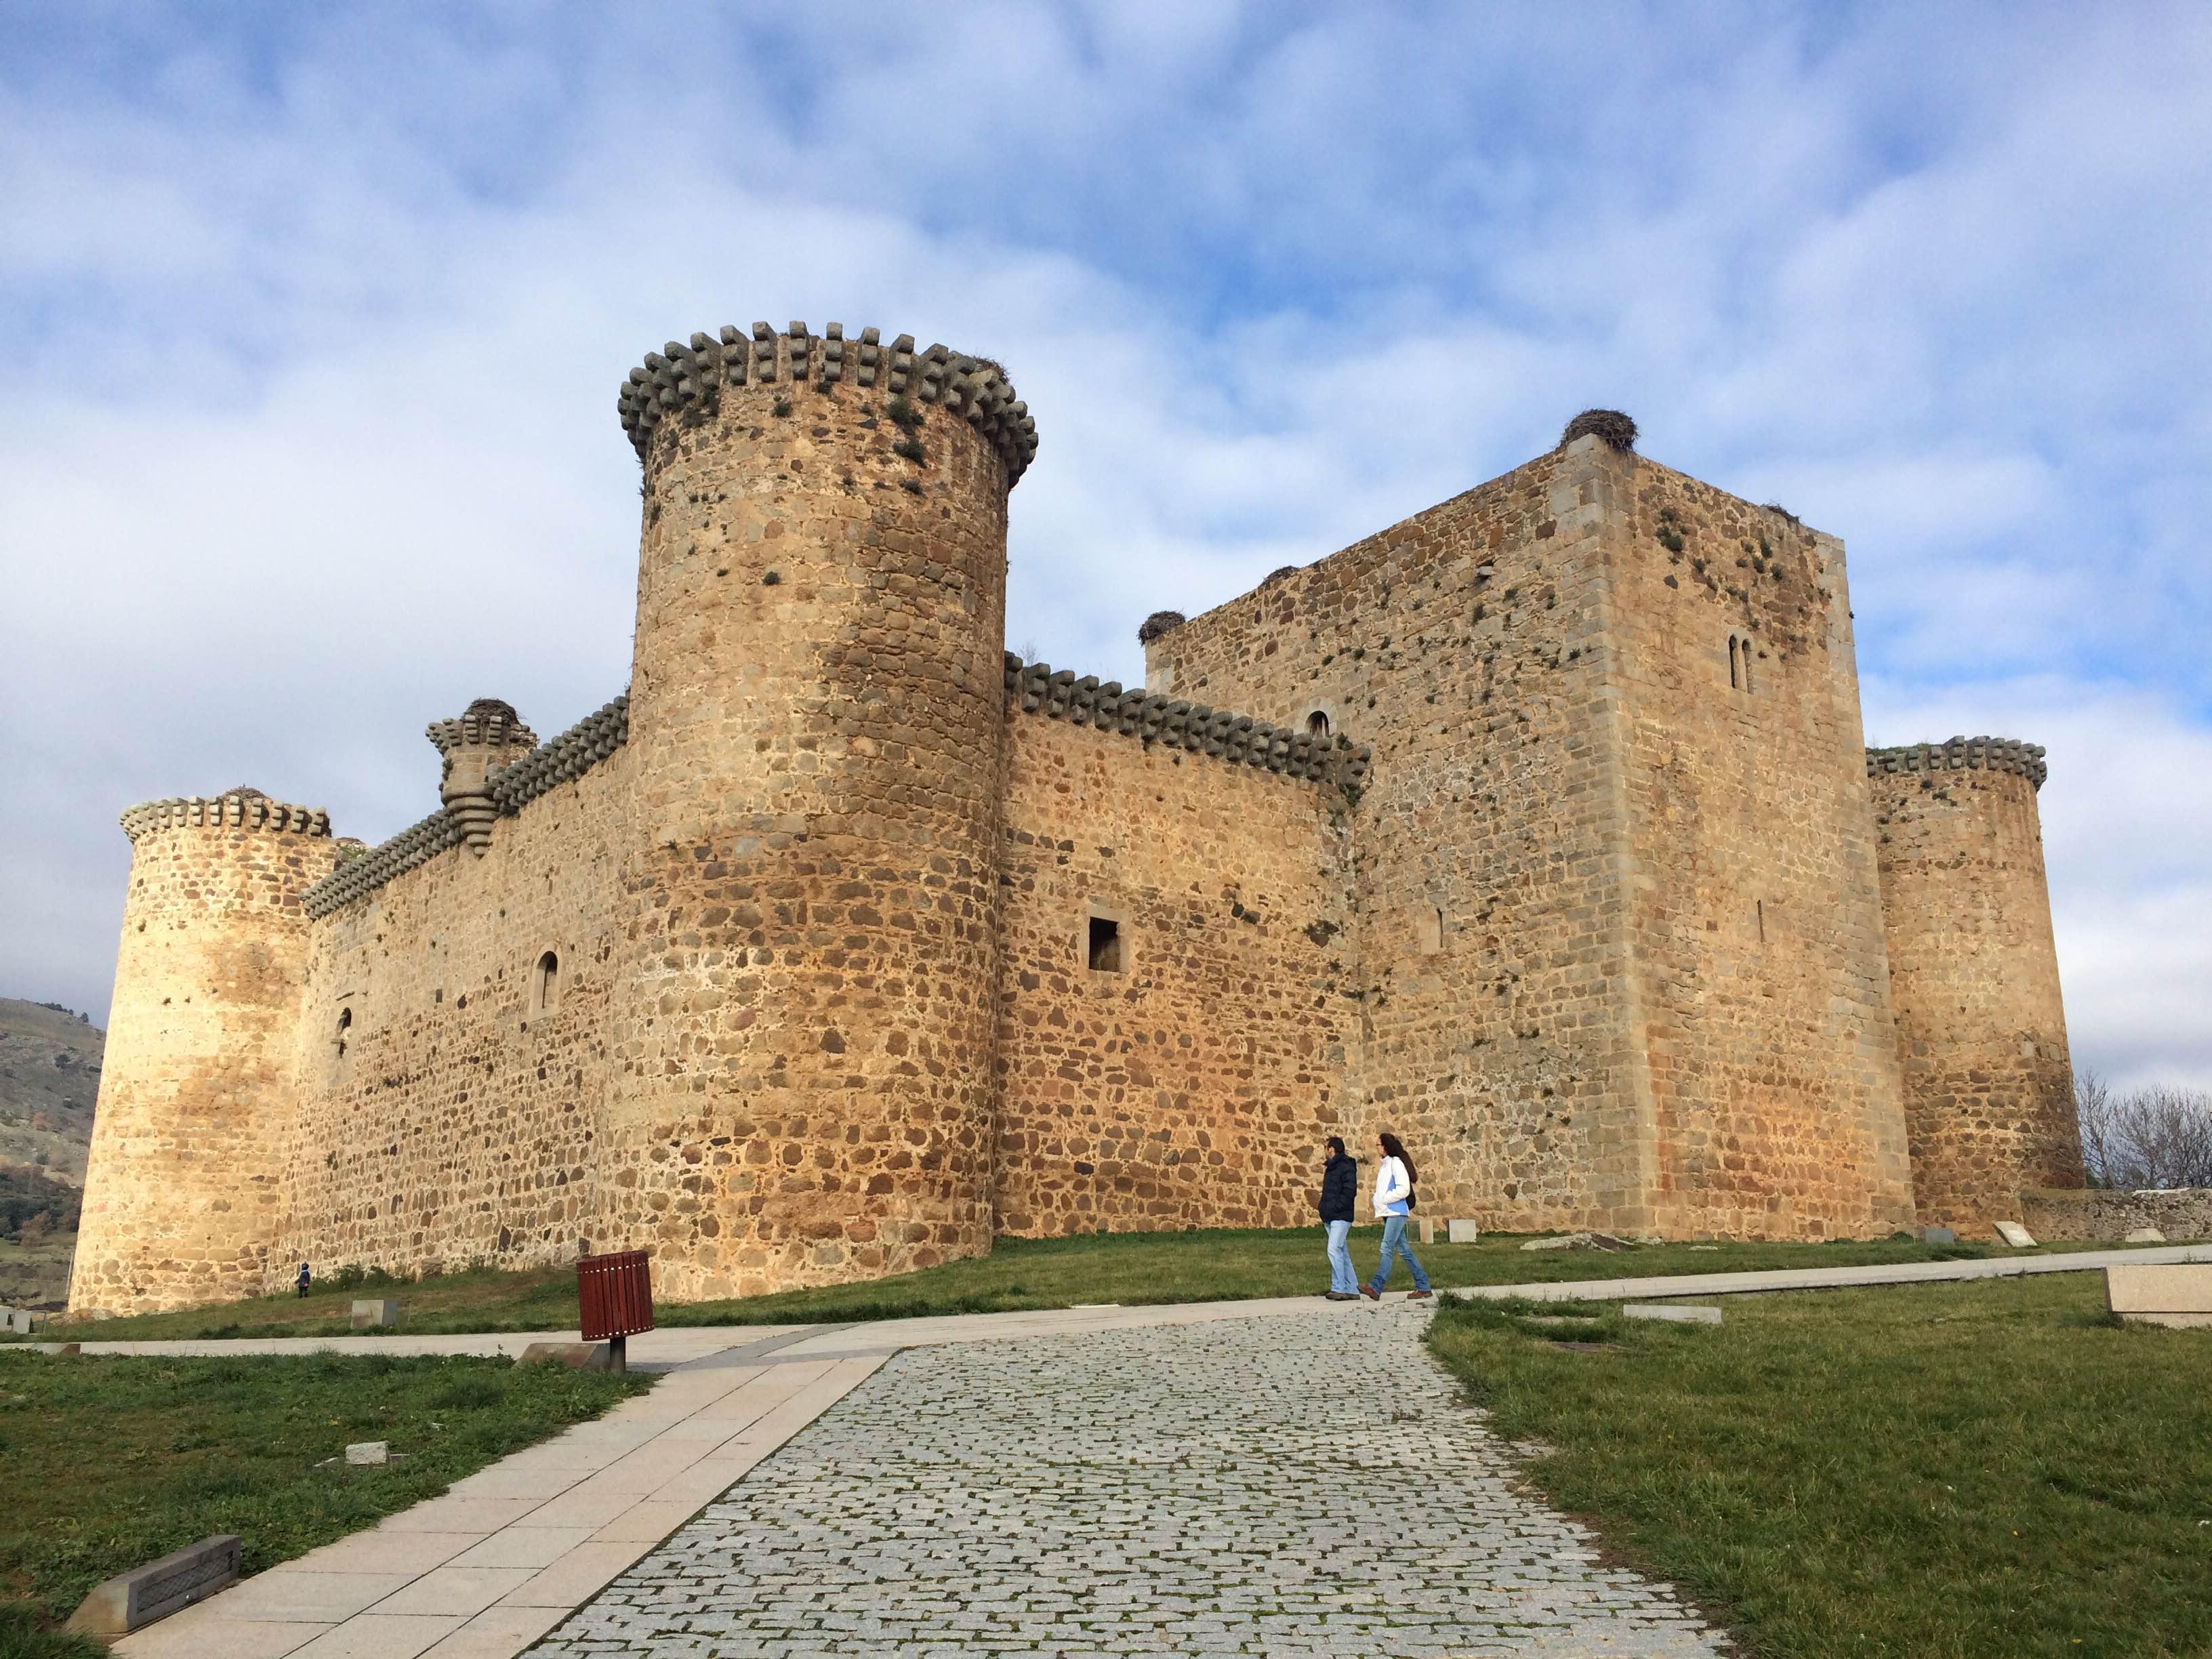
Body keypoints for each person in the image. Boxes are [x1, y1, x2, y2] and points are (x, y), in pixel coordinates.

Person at [1361, 1131, 1432, 1300]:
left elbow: (1404, 1189)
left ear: (1385, 1146)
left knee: (1386, 1247)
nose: (1376, 1148)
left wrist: (1384, 1199)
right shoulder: (1386, 1165)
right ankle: (1423, 1286)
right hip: (1389, 1212)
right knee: (1404, 1250)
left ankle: (1376, 1287)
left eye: (1378, 1144)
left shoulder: (1396, 1164)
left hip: (1396, 1212)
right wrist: (1376, 1199)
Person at [1317, 1136, 1359, 1300]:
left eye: (1326, 1148)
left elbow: (1349, 1191)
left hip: (1340, 1216)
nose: (1325, 1152)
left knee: (1333, 1249)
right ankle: (1353, 1288)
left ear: (1332, 1150)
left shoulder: (1346, 1167)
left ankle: (1339, 1288)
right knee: (1342, 1252)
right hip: (1331, 1216)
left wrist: (1336, 1208)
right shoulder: (1331, 1167)